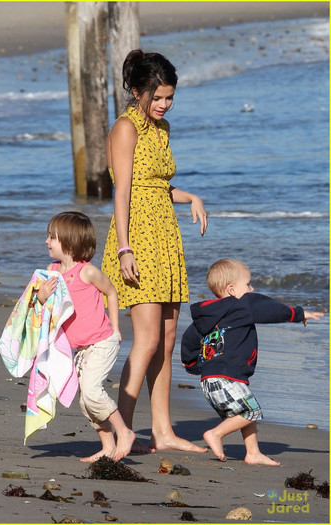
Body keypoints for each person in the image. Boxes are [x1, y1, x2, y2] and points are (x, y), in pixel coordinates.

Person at [101, 49, 208, 454]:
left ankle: (162, 432)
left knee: (165, 339)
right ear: (136, 90)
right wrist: (125, 248)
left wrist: (190, 196)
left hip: (165, 234)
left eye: (169, 98)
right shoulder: (126, 128)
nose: (163, 105)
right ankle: (122, 429)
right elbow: (123, 190)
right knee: (145, 340)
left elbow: (158, 184)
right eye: (156, 97)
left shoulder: (162, 129)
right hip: (137, 239)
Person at [181, 258, 324, 465]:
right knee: (251, 411)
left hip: (209, 380)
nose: (252, 288)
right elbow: (268, 309)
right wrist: (297, 313)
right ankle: (215, 434)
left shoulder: (206, 315)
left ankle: (253, 452)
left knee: (245, 411)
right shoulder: (241, 306)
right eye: (248, 284)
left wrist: (191, 365)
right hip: (227, 377)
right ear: (231, 290)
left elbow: (189, 340)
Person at [38, 211, 135, 462]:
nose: (47, 241)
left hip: (102, 341)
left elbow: (111, 292)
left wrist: (115, 327)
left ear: (69, 242)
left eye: (52, 237)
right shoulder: (52, 271)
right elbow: (40, 305)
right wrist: (41, 296)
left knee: (92, 392)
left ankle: (124, 432)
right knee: (85, 402)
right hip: (79, 349)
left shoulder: (88, 272)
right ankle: (108, 446)